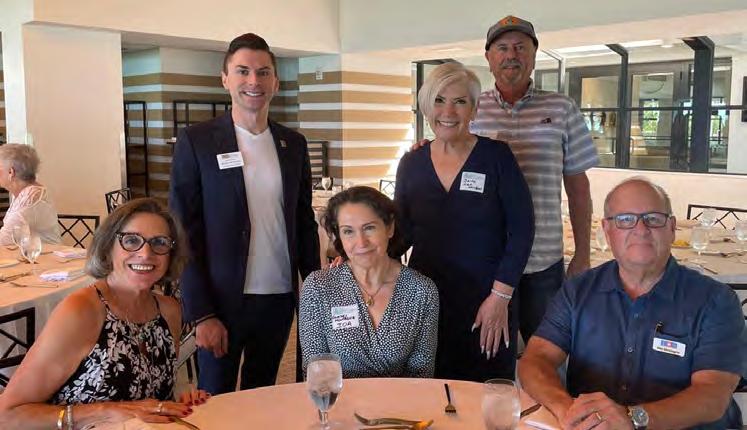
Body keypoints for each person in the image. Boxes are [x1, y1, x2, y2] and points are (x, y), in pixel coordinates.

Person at [518, 177, 746, 430]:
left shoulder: (715, 300)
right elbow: (536, 359)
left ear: (672, 228)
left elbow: (712, 396)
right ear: (607, 231)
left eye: (653, 219)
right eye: (625, 219)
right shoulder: (578, 291)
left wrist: (634, 418)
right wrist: (566, 410)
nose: (640, 229)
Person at [169, 32, 320, 394]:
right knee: (215, 399)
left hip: (278, 297)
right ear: (225, 79)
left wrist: (316, 289)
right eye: (243, 71)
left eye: (263, 72)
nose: (254, 81)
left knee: (263, 395)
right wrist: (201, 312)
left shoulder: (293, 144)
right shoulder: (197, 141)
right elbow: (182, 232)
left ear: (275, 82)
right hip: (221, 299)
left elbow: (303, 222)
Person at [0, 198, 209, 429]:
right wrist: (104, 411)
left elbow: (150, 400)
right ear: (108, 247)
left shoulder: (169, 311)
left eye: (159, 242)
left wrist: (177, 404)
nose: (145, 253)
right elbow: (7, 416)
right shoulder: (82, 311)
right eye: (131, 240)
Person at [395, 62, 534, 382]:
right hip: (426, 299)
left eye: (460, 101)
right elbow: (400, 233)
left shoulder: (496, 157)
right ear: (426, 105)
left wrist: (500, 298)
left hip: (488, 298)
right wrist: (354, 257)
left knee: (487, 389)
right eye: (439, 100)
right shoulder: (412, 163)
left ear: (474, 109)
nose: (448, 111)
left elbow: (522, 230)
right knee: (428, 389)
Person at [471, 16, 599, 343]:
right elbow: (447, 159)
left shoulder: (562, 107)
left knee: (549, 351)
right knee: (488, 354)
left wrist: (582, 254)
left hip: (544, 260)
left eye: (520, 47)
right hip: (487, 259)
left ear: (534, 55)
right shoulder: (470, 108)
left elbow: (578, 188)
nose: (511, 55)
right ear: (488, 57)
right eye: (502, 48)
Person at [299, 186, 439, 378]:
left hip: (401, 397)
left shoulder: (421, 291)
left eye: (369, 228)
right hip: (338, 397)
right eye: (348, 231)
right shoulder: (318, 288)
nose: (361, 242)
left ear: (389, 228)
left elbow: (421, 375)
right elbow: (315, 371)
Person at [0, 143, 61, 245]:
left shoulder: (30, 198)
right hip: (33, 254)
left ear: (11, 172)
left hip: (44, 255)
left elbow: (4, 240)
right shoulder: (25, 193)